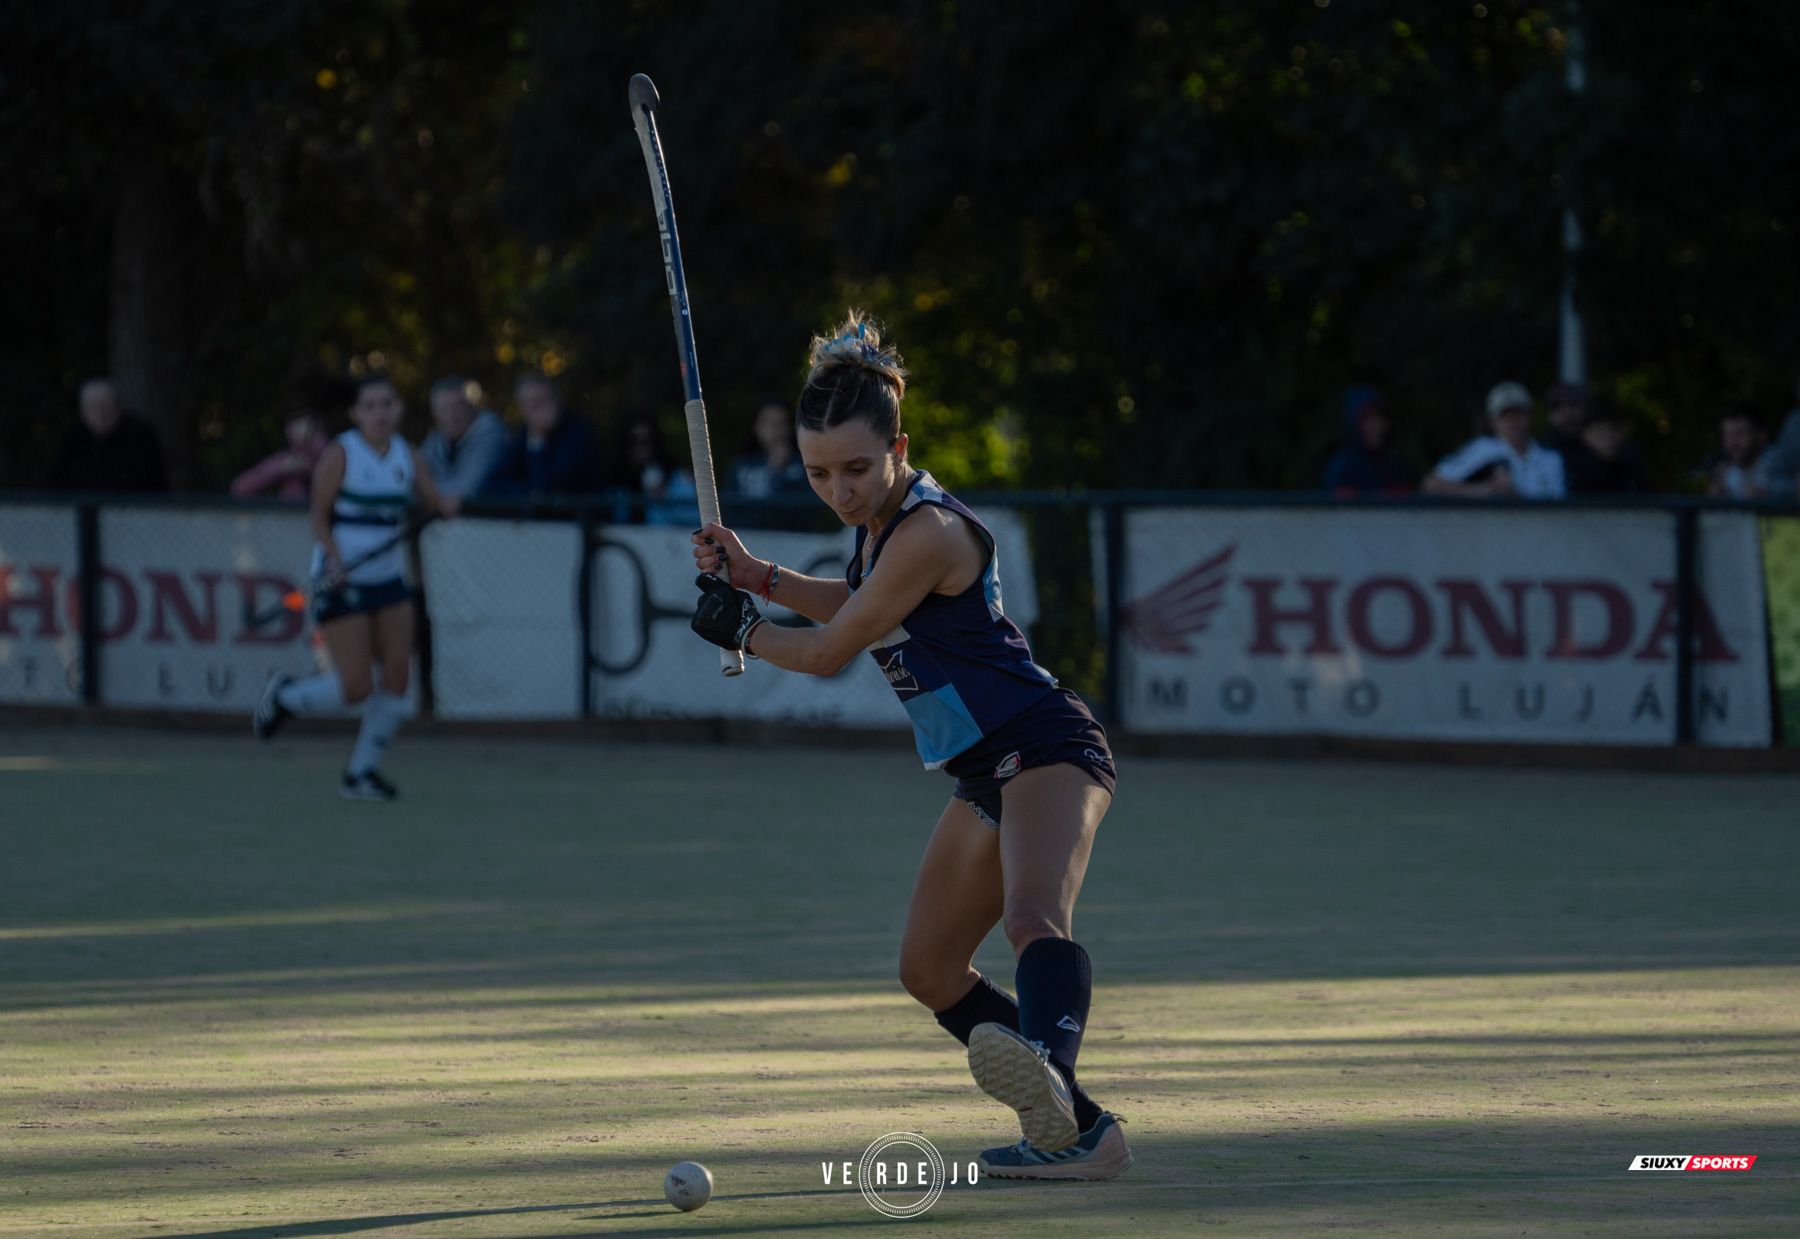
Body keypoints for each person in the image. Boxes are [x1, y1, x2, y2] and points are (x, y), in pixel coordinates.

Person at [686, 313, 1131, 1181]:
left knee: (1031, 916)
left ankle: (1054, 1087)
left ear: (900, 446)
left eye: (856, 469)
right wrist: (759, 577)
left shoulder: (927, 531)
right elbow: (851, 603)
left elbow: (827, 651)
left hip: (1044, 742)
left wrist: (742, 627)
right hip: (981, 770)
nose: (840, 491)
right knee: (929, 968)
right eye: (819, 474)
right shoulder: (877, 530)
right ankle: (1083, 1130)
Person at [251, 374, 453, 801]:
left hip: (388, 578)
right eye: (371, 406)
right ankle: (286, 696)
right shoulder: (341, 453)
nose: (380, 413)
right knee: (356, 686)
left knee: (399, 675)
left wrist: (447, 504)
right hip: (342, 580)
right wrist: (336, 561)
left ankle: (361, 774)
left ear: (399, 409)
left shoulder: (407, 455)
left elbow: (435, 501)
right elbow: (319, 517)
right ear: (356, 413)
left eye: (388, 404)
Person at [1423, 381, 1566, 499]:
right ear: (1493, 421)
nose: (1513, 421)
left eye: (1519, 414)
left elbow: (1559, 507)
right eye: (1505, 415)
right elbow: (1432, 485)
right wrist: (1486, 489)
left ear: (1531, 417)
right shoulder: (1482, 448)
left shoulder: (1551, 459)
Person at [484, 373, 605, 497]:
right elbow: (491, 483)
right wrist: (529, 493)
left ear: (556, 400)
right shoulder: (524, 434)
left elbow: (548, 489)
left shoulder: (578, 434)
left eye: (539, 401)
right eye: (526, 403)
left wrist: (538, 441)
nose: (533, 408)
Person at [47, 378, 168, 491]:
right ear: (83, 412)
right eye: (93, 406)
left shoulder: (140, 435)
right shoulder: (74, 435)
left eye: (106, 405)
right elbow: (56, 478)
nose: (101, 412)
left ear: (120, 407)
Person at [727, 397, 812, 526]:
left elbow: (803, 511)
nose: (773, 429)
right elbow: (728, 505)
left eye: (780, 423)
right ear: (756, 426)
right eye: (767, 422)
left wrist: (777, 472)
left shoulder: (803, 465)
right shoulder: (743, 465)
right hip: (745, 535)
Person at [418, 375, 506, 499]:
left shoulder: (490, 435)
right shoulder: (436, 440)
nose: (452, 415)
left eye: (459, 406)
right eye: (444, 409)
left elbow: (465, 490)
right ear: (435, 413)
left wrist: (426, 490)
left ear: (472, 408)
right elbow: (410, 484)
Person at [1321, 386, 1412, 496]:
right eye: (1368, 420)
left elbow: (1407, 505)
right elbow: (1343, 509)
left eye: (1380, 419)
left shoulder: (1394, 467)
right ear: (1353, 424)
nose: (1376, 427)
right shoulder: (1341, 468)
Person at [614, 414, 700, 526]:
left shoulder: (676, 476)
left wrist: (665, 498)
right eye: (634, 441)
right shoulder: (618, 482)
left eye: (647, 441)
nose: (642, 449)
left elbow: (696, 517)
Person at [230, 407, 330, 500]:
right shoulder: (284, 460)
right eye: (296, 423)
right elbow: (239, 489)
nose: (302, 428)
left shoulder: (330, 456)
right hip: (290, 517)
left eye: (308, 423)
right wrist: (281, 468)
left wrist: (311, 468)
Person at [1566, 398, 1657, 493]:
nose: (1609, 439)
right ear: (1584, 435)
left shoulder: (1631, 459)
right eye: (1600, 432)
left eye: (1614, 430)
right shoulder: (1574, 469)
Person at [1704, 404, 1770, 498]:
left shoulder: (1780, 467)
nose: (1733, 441)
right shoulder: (1728, 473)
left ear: (1761, 436)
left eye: (1741, 433)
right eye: (1728, 435)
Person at [1543, 382, 1597, 481]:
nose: (1567, 413)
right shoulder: (1538, 452)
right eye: (1558, 406)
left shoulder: (1600, 451)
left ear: (1584, 409)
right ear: (1549, 415)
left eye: (1573, 404)